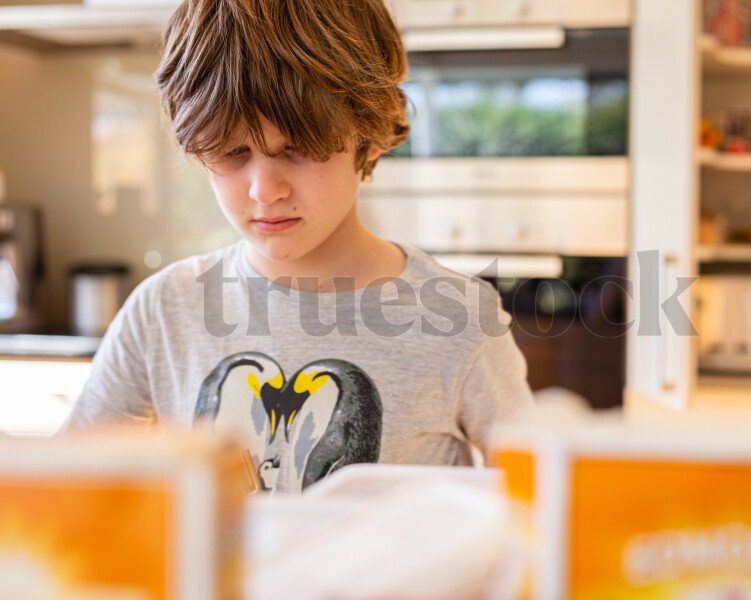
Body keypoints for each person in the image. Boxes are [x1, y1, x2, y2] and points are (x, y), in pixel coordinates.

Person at [61, 0, 535, 492]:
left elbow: (538, 505)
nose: (264, 191)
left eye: (300, 148)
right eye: (231, 152)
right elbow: (69, 492)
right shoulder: (162, 310)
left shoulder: (458, 321)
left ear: (370, 137)